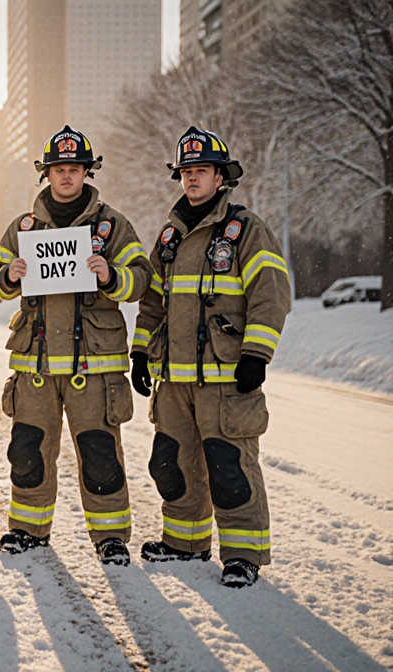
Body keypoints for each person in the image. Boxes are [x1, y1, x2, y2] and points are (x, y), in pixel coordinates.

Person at [131, 126, 291, 588]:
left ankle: (243, 555)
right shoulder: (170, 235)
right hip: (174, 381)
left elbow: (271, 292)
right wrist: (141, 351)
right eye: (186, 172)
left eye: (201, 171)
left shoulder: (245, 228)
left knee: (230, 466)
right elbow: (154, 302)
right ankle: (185, 544)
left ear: (221, 177)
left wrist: (257, 353)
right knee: (173, 464)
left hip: (226, 378)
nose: (192, 179)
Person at [0, 125, 153, 565]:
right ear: (47, 174)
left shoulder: (113, 225)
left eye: (74, 169)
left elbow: (142, 277)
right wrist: (8, 275)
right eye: (59, 169)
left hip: (93, 365)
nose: (66, 177)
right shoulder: (23, 228)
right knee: (28, 451)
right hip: (36, 363)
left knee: (100, 452)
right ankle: (27, 529)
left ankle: (111, 537)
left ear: (86, 172)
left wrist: (111, 275)